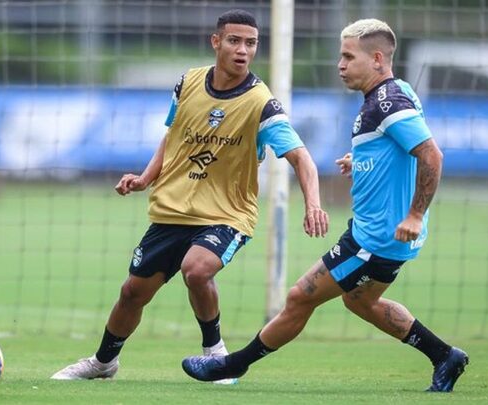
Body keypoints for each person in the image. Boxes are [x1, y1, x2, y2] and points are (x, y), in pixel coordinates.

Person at [182, 18, 469, 392]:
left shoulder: (388, 102)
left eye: (349, 57)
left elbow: (431, 154)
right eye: (340, 56)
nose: (341, 64)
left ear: (378, 59)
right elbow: (399, 148)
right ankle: (444, 356)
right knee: (360, 301)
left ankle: (231, 365)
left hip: (377, 239)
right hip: (382, 234)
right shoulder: (393, 93)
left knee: (300, 296)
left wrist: (415, 214)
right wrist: (363, 161)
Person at [50, 9, 328, 383]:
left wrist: (313, 204)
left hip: (227, 215)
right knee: (132, 292)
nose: (243, 50)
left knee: (196, 269)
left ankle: (216, 355)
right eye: (234, 40)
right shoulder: (188, 82)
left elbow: (302, 157)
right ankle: (103, 363)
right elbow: (172, 136)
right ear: (216, 42)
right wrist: (146, 178)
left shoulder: (261, 103)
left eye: (251, 43)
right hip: (173, 209)